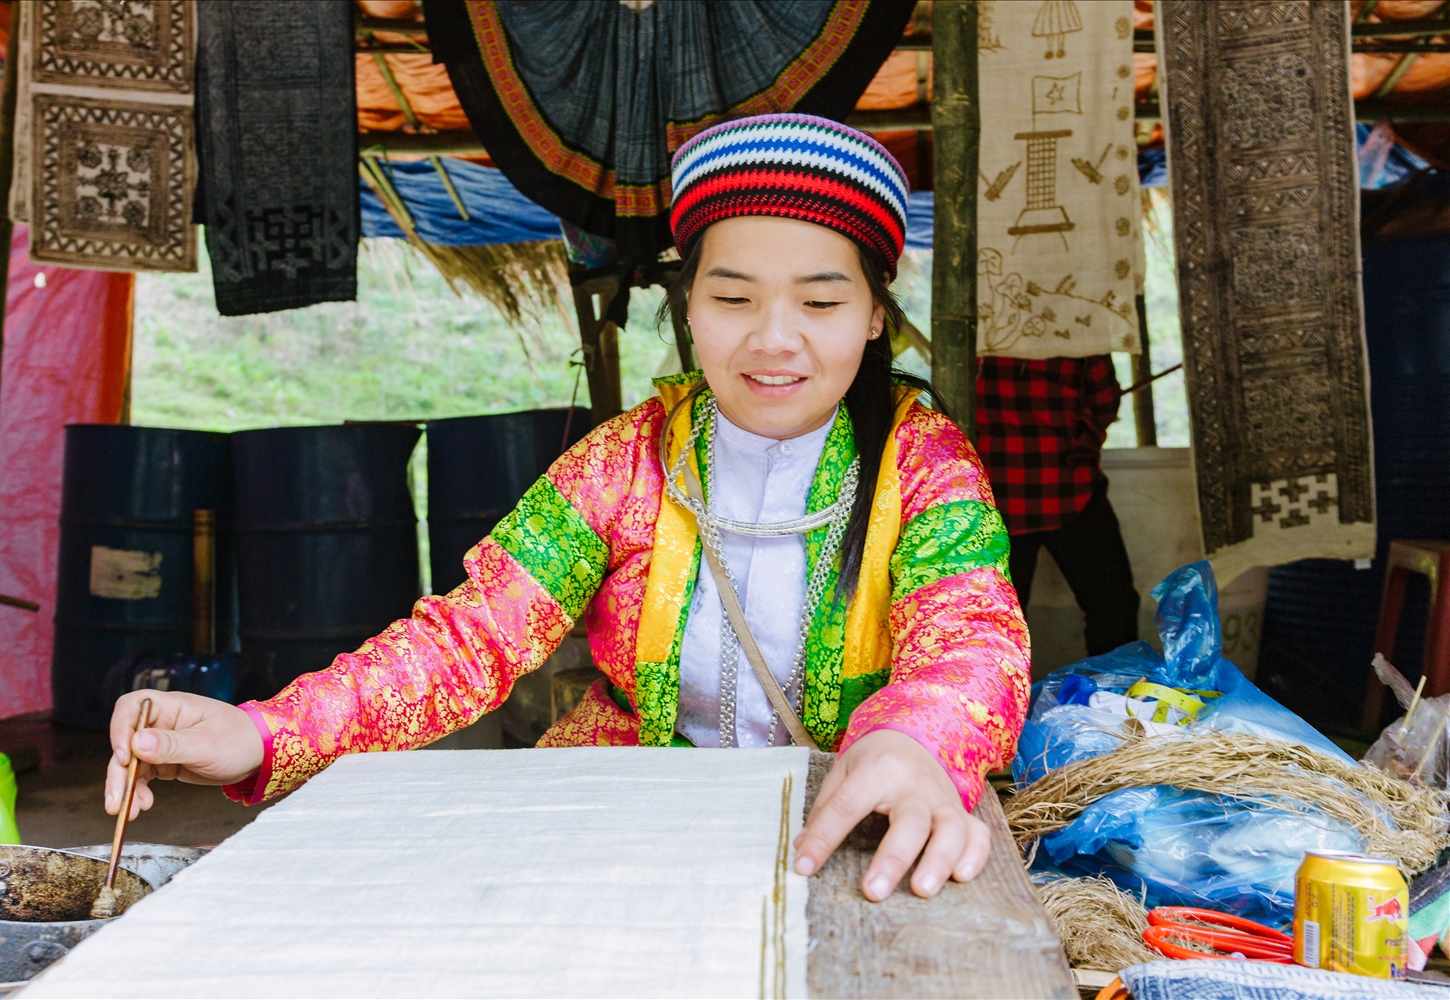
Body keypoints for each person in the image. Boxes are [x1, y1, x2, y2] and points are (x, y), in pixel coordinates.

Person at [105, 115, 1031, 902]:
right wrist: (264, 731)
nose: (773, 339)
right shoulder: (626, 462)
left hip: (845, 839)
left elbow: (972, 640)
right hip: (627, 829)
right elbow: (469, 639)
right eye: (733, 296)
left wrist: (915, 741)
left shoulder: (924, 466)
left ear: (874, 315)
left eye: (821, 300)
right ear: (690, 308)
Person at [975, 355, 1140, 656]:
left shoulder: (974, 327)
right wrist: (1086, 435)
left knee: (993, 622)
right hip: (1067, 488)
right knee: (1113, 608)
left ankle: (998, 702)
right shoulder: (1078, 319)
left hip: (992, 496)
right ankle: (1115, 696)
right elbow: (1104, 400)